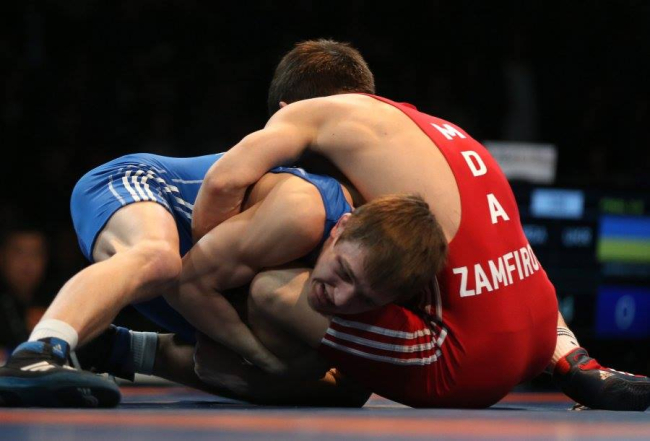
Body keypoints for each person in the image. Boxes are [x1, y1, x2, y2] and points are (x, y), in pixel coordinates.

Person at [191, 39, 650, 410]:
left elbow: (223, 181)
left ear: (287, 105)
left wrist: (210, 281)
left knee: (269, 288)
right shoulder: (435, 129)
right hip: (544, 331)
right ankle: (576, 361)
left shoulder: (306, 114)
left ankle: (186, 354)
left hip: (464, 366)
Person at [0, 147, 446, 407]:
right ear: (342, 227)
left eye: (364, 298)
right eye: (343, 271)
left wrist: (265, 369)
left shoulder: (351, 273)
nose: (342, 297)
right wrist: (263, 361)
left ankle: (110, 348)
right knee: (160, 258)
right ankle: (38, 352)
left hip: (197, 275)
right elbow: (186, 285)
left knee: (328, 384)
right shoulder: (305, 212)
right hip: (135, 189)